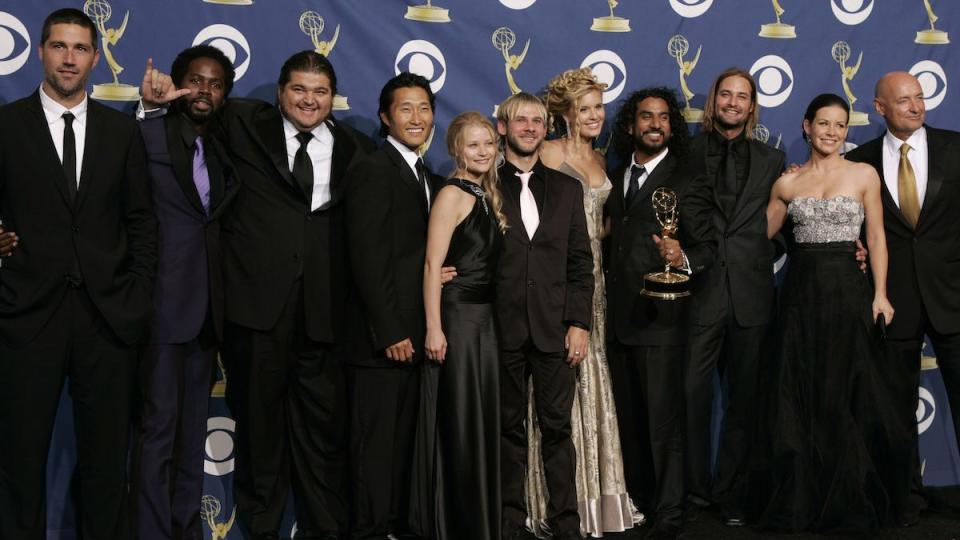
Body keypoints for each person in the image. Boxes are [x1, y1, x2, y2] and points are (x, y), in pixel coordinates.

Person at [142, 49, 374, 539]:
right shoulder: (243, 123)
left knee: (323, 439)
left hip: (325, 313)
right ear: (280, 93)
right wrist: (158, 105)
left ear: (334, 97)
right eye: (299, 90)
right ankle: (262, 530)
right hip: (256, 311)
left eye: (320, 92)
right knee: (260, 436)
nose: (309, 100)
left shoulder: (358, 149)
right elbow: (195, 112)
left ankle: (325, 530)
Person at [0, 8, 157, 539]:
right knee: (18, 463)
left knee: (107, 466)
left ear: (95, 57)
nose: (70, 58)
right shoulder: (5, 125)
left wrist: (135, 298)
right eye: (60, 47)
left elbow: (141, 223)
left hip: (107, 319)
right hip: (24, 316)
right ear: (41, 51)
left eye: (80, 49)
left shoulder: (121, 132)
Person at [758, 93, 895, 533]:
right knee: (800, 390)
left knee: (846, 391)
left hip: (850, 294)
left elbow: (875, 238)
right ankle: (803, 496)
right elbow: (758, 234)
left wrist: (880, 294)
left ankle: (849, 500)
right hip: (800, 296)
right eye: (823, 124)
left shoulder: (863, 175)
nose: (832, 132)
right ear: (806, 126)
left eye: (840, 125)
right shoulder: (787, 184)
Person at [525, 67, 639, 536]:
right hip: (553, 284)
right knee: (552, 394)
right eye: (586, 108)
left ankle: (594, 502)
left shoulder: (602, 159)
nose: (596, 115)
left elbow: (603, 227)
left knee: (591, 383)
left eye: (600, 106)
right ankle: (548, 503)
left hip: (594, 284)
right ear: (566, 113)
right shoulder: (547, 154)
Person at [846, 71, 960, 526]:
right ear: (879, 108)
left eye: (919, 97)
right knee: (893, 411)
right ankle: (904, 503)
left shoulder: (956, 148)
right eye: (903, 100)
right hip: (893, 302)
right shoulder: (861, 162)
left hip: (953, 299)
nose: (915, 106)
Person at [135, 45, 237, 540]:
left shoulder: (220, 149)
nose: (204, 90)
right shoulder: (154, 134)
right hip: (159, 309)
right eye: (195, 80)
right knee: (157, 432)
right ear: (178, 85)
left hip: (206, 315)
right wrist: (152, 109)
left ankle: (185, 528)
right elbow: (143, 151)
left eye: (215, 84)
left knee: (192, 431)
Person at [678, 67, 785, 525]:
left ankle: (734, 493)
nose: (734, 103)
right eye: (727, 94)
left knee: (744, 402)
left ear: (752, 105)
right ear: (714, 100)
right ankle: (691, 491)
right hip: (699, 293)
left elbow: (788, 219)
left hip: (752, 293)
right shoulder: (685, 152)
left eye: (743, 96)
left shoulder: (772, 160)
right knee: (689, 396)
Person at [605, 88, 713, 540]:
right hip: (616, 320)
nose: (655, 124)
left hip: (663, 320)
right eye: (646, 116)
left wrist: (681, 256)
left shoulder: (688, 177)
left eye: (664, 118)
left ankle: (671, 513)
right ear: (631, 124)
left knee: (663, 423)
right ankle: (644, 503)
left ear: (673, 126)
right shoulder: (615, 175)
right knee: (629, 420)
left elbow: (709, 246)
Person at [495, 92, 594, 540]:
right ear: (503, 128)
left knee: (558, 431)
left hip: (556, 330)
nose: (530, 128)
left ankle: (565, 524)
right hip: (500, 330)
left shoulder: (568, 188)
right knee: (506, 433)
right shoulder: (482, 184)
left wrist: (579, 323)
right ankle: (510, 523)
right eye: (520, 121)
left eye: (537, 121)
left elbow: (580, 263)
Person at [343, 72, 437, 540]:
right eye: (406, 109)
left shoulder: (426, 175)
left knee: (402, 447)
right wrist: (391, 330)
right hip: (381, 342)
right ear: (385, 117)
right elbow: (367, 257)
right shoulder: (372, 169)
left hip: (417, 337)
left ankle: (396, 526)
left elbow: (410, 253)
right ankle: (370, 531)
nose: (416, 118)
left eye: (423, 108)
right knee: (374, 449)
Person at [422, 112, 507, 540]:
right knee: (460, 423)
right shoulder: (451, 195)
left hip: (485, 324)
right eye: (474, 145)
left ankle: (481, 524)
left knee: (480, 423)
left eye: (489, 144)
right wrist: (434, 328)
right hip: (457, 320)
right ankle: (459, 525)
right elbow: (432, 265)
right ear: (456, 149)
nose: (483, 152)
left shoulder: (486, 193)